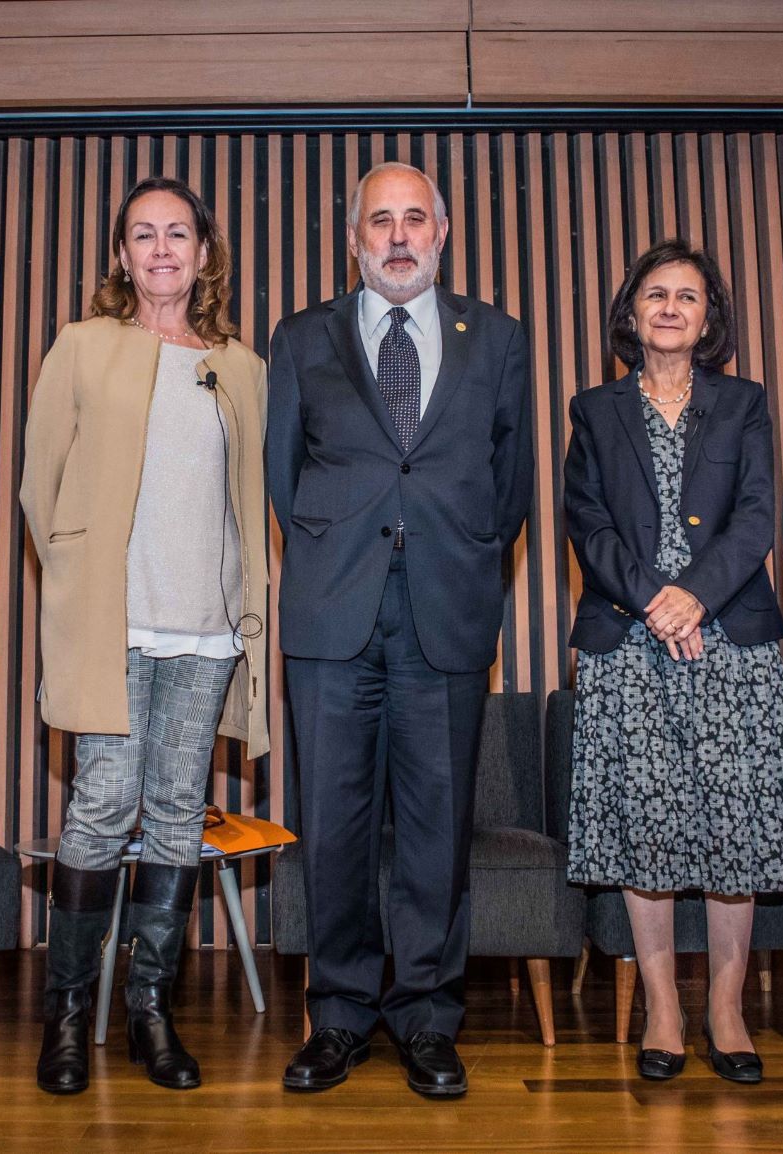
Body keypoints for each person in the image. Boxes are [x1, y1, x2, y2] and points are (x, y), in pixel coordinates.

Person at [266, 161, 533, 1098]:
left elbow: (512, 487)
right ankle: (337, 1016)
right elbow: (282, 474)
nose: (398, 235)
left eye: (415, 217)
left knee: (435, 829)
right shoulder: (301, 339)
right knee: (332, 830)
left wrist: (459, 562)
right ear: (354, 239)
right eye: (379, 221)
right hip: (333, 615)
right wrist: (341, 554)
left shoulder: (496, 336)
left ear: (444, 230)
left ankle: (425, 1016)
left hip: (445, 615)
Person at [19, 177, 269, 1095]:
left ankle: (150, 1011)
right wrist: (86, 581)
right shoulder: (82, 348)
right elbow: (37, 491)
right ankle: (69, 1019)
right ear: (121, 254)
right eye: (142, 235)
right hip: (112, 623)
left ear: (205, 253)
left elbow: (247, 499)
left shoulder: (241, 365)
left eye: (178, 235)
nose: (161, 250)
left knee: (174, 813)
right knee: (101, 805)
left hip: (206, 629)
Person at [564, 239, 783, 1084]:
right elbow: (586, 524)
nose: (670, 307)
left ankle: (727, 1009)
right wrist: (653, 601)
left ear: (710, 320)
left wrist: (695, 595)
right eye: (654, 295)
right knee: (648, 829)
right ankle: (663, 1010)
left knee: (735, 829)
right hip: (627, 644)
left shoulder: (744, 403)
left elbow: (755, 516)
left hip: (730, 639)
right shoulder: (593, 412)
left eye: (688, 297)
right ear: (630, 315)